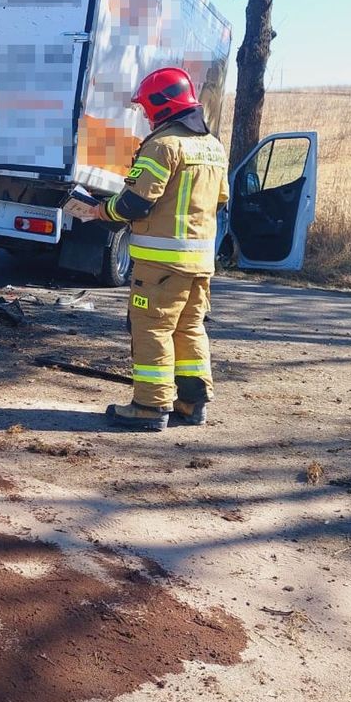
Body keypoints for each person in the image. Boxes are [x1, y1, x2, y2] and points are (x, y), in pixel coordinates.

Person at [72, 67, 229, 431]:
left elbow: (134, 204)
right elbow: (220, 200)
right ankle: (191, 405)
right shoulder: (213, 147)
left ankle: (150, 406)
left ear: (161, 105)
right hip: (200, 264)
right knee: (189, 328)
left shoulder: (163, 145)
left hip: (160, 265)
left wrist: (99, 210)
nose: (144, 114)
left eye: (146, 107)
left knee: (152, 329)